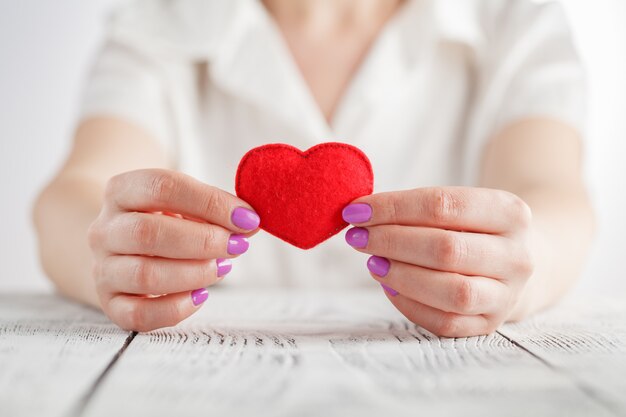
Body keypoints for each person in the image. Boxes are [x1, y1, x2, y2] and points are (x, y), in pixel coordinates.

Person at [33, 0, 594, 337]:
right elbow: (75, 194)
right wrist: (106, 252)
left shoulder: (510, 17)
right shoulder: (162, 19)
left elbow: (551, 189)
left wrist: (525, 262)